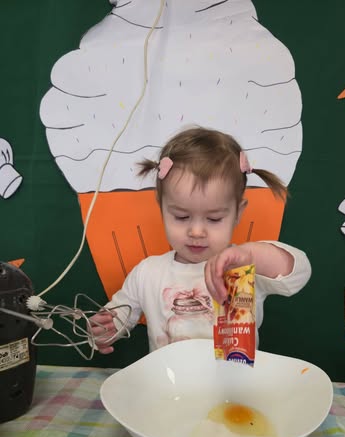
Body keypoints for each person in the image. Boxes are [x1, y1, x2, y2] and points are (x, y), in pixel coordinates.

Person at [91, 126, 311, 354]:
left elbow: (299, 272)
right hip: (168, 378)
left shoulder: (243, 266)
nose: (196, 232)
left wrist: (251, 255)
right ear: (162, 207)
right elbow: (117, 318)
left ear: (238, 213)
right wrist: (104, 330)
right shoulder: (147, 273)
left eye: (214, 219)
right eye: (181, 217)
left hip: (234, 377)